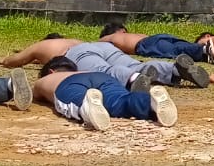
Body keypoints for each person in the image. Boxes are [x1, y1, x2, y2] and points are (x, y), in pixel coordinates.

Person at [0, 33, 207, 89]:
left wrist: (4, 60)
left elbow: (16, 60)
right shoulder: (73, 39)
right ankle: (174, 70)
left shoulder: (44, 46)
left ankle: (133, 79)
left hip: (78, 54)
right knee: (134, 63)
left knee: (105, 71)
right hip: (103, 47)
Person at [34, 55, 177, 131]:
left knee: (76, 100)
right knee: (121, 100)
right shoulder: (84, 70)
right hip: (102, 77)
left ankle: (85, 106)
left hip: (68, 83)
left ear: (51, 71)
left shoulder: (48, 78)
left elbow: (35, 95)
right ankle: (149, 102)